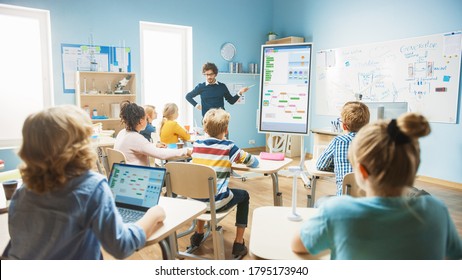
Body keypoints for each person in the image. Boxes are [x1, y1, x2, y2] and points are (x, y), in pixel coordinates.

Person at [292, 113, 462, 259]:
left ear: (361, 171)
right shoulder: (436, 210)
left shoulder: (336, 211)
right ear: (414, 166)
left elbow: (297, 245)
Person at [7, 105, 166, 259]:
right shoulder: (92, 186)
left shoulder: (23, 192)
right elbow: (121, 246)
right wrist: (153, 214)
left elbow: (17, 247)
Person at [190, 108, 259, 259]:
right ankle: (239, 243)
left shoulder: (196, 144)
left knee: (203, 189)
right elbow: (252, 162)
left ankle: (198, 233)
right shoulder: (228, 147)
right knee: (244, 195)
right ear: (226, 130)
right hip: (216, 202)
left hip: (195, 202)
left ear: (204, 127)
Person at [316, 101, 370, 196]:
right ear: (367, 125)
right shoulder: (373, 142)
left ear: (344, 126)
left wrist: (337, 166)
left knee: (320, 201)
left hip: (344, 199)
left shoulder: (338, 141)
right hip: (369, 201)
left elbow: (321, 165)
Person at [114, 100, 190, 166]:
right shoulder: (136, 138)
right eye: (146, 119)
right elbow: (161, 154)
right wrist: (185, 151)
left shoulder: (122, 133)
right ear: (141, 121)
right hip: (138, 176)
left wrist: (154, 145)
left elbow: (139, 146)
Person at [185, 62, 250, 117]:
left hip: (221, 119)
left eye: (211, 74)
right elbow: (188, 96)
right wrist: (197, 106)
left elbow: (231, 101)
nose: (209, 77)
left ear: (215, 74)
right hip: (207, 121)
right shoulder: (201, 87)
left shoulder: (222, 86)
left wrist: (240, 92)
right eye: (207, 74)